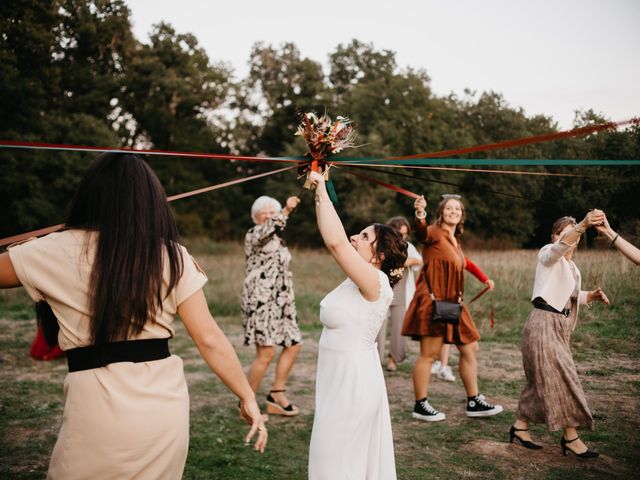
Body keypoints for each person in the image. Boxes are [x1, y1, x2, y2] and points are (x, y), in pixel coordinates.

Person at [0, 153, 267, 479]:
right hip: (164, 411)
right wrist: (246, 396)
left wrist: (31, 248)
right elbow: (209, 338)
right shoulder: (173, 255)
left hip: (98, 409)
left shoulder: (49, 250)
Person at [307, 170, 408, 480]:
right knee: (333, 464)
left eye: (364, 237)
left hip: (353, 386)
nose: (354, 237)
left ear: (377, 256)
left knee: (334, 466)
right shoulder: (359, 278)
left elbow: (336, 243)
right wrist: (317, 190)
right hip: (336, 382)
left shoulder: (375, 281)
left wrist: (322, 188)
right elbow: (338, 240)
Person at [511, 212, 610, 458]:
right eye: (561, 232)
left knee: (539, 381)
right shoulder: (548, 253)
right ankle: (571, 438)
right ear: (554, 236)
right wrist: (582, 225)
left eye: (572, 232)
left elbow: (568, 295)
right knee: (564, 378)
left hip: (558, 327)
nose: (567, 236)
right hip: (543, 324)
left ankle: (519, 427)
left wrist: (591, 296)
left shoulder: (572, 266)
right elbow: (559, 249)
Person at [402, 194, 503, 422]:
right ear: (441, 212)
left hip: (453, 302)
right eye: (449, 208)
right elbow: (421, 232)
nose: (454, 211)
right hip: (432, 301)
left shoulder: (455, 239)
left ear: (462, 215)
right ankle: (420, 405)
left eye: (457, 208)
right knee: (428, 355)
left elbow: (465, 262)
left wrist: (484, 278)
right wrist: (420, 213)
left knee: (470, 348)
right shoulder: (434, 233)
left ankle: (474, 401)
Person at [241, 195, 302, 416]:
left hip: (282, 301)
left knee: (293, 343)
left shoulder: (278, 240)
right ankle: (246, 406)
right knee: (266, 353)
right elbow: (269, 228)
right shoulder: (254, 234)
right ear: (256, 216)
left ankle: (276, 394)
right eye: (263, 212)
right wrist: (285, 209)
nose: (268, 215)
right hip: (261, 300)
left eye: (271, 211)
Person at [431, 257, 495, 382]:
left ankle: (440, 364)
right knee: (444, 334)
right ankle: (442, 366)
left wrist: (485, 279)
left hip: (452, 300)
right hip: (442, 300)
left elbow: (469, 264)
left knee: (445, 334)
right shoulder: (442, 251)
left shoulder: (456, 252)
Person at [377, 216, 423, 372]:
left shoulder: (407, 246)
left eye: (405, 234)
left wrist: (406, 262)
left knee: (399, 328)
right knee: (378, 327)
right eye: (399, 233)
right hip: (382, 291)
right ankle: (375, 359)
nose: (402, 237)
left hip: (401, 292)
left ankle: (393, 359)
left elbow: (419, 260)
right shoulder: (382, 246)